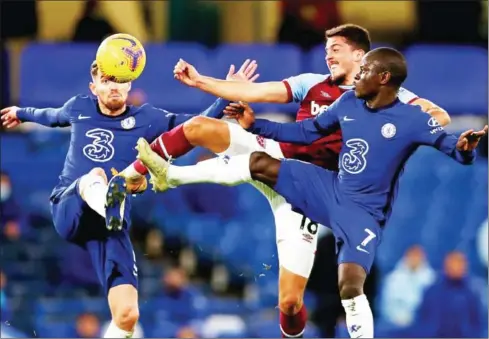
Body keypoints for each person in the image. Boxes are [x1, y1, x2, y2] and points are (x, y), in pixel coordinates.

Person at [113, 24, 451, 338]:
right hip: (275, 153)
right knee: (198, 129)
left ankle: (294, 333)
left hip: (305, 192)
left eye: (335, 49)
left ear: (359, 56)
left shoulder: (386, 98)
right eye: (326, 49)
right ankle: (133, 178)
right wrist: (201, 81)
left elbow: (440, 117)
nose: (328, 55)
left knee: (290, 303)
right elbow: (257, 91)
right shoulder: (311, 83)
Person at [0, 59, 258, 338]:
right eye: (107, 80)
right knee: (95, 176)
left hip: (109, 227)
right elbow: (50, 115)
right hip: (70, 207)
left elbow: (193, 126)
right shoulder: (79, 107)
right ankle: (110, 198)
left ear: (130, 84)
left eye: (121, 80)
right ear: (93, 86)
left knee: (127, 315)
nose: (114, 87)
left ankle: (112, 201)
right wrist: (19, 112)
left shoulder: (148, 118)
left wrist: (228, 93)